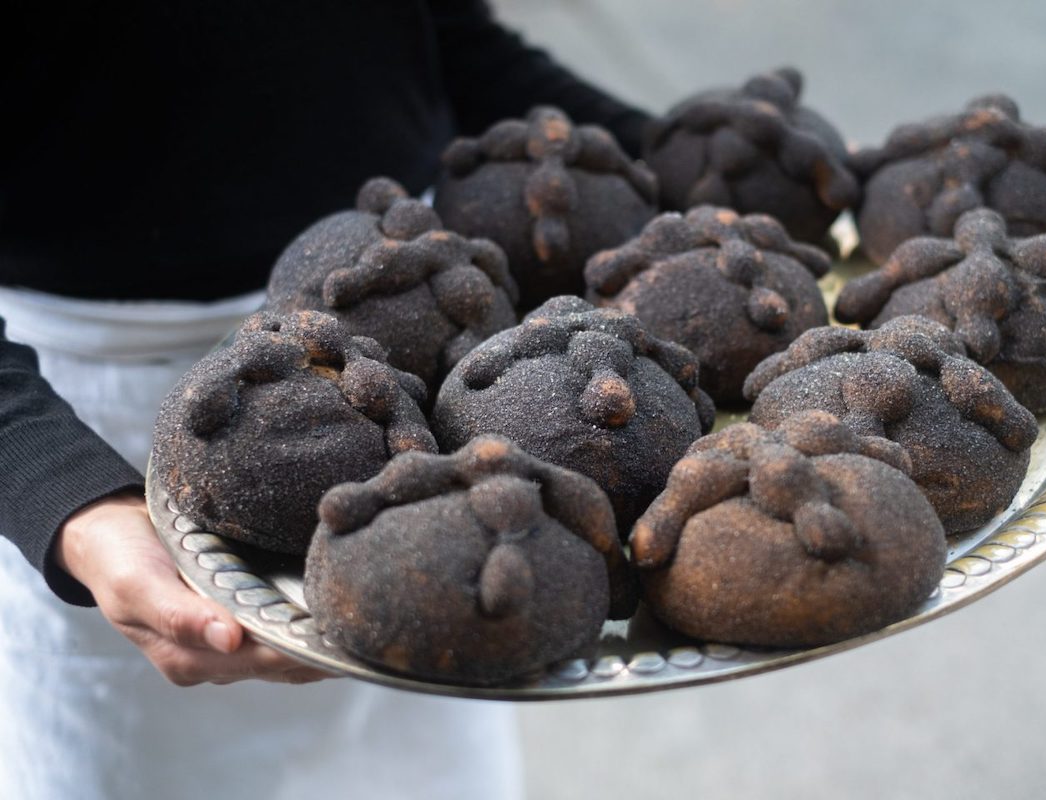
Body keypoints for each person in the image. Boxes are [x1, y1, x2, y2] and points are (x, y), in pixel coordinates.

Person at [0, 2, 649, 798]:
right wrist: (56, 490)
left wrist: (671, 157)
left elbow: (434, 36)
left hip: (446, 432)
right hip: (102, 416)